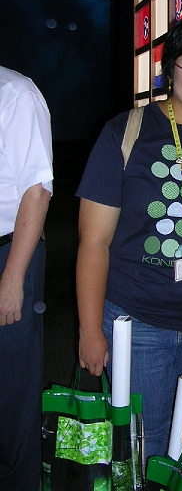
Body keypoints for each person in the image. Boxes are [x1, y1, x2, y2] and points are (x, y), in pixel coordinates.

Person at [76, 13, 182, 459]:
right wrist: (91, 330)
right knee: (142, 447)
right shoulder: (126, 132)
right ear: (170, 70)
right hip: (137, 322)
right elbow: (94, 243)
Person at [0, 66, 53, 490]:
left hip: (7, 253)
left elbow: (37, 189)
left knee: (11, 391)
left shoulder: (15, 92)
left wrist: (12, 278)